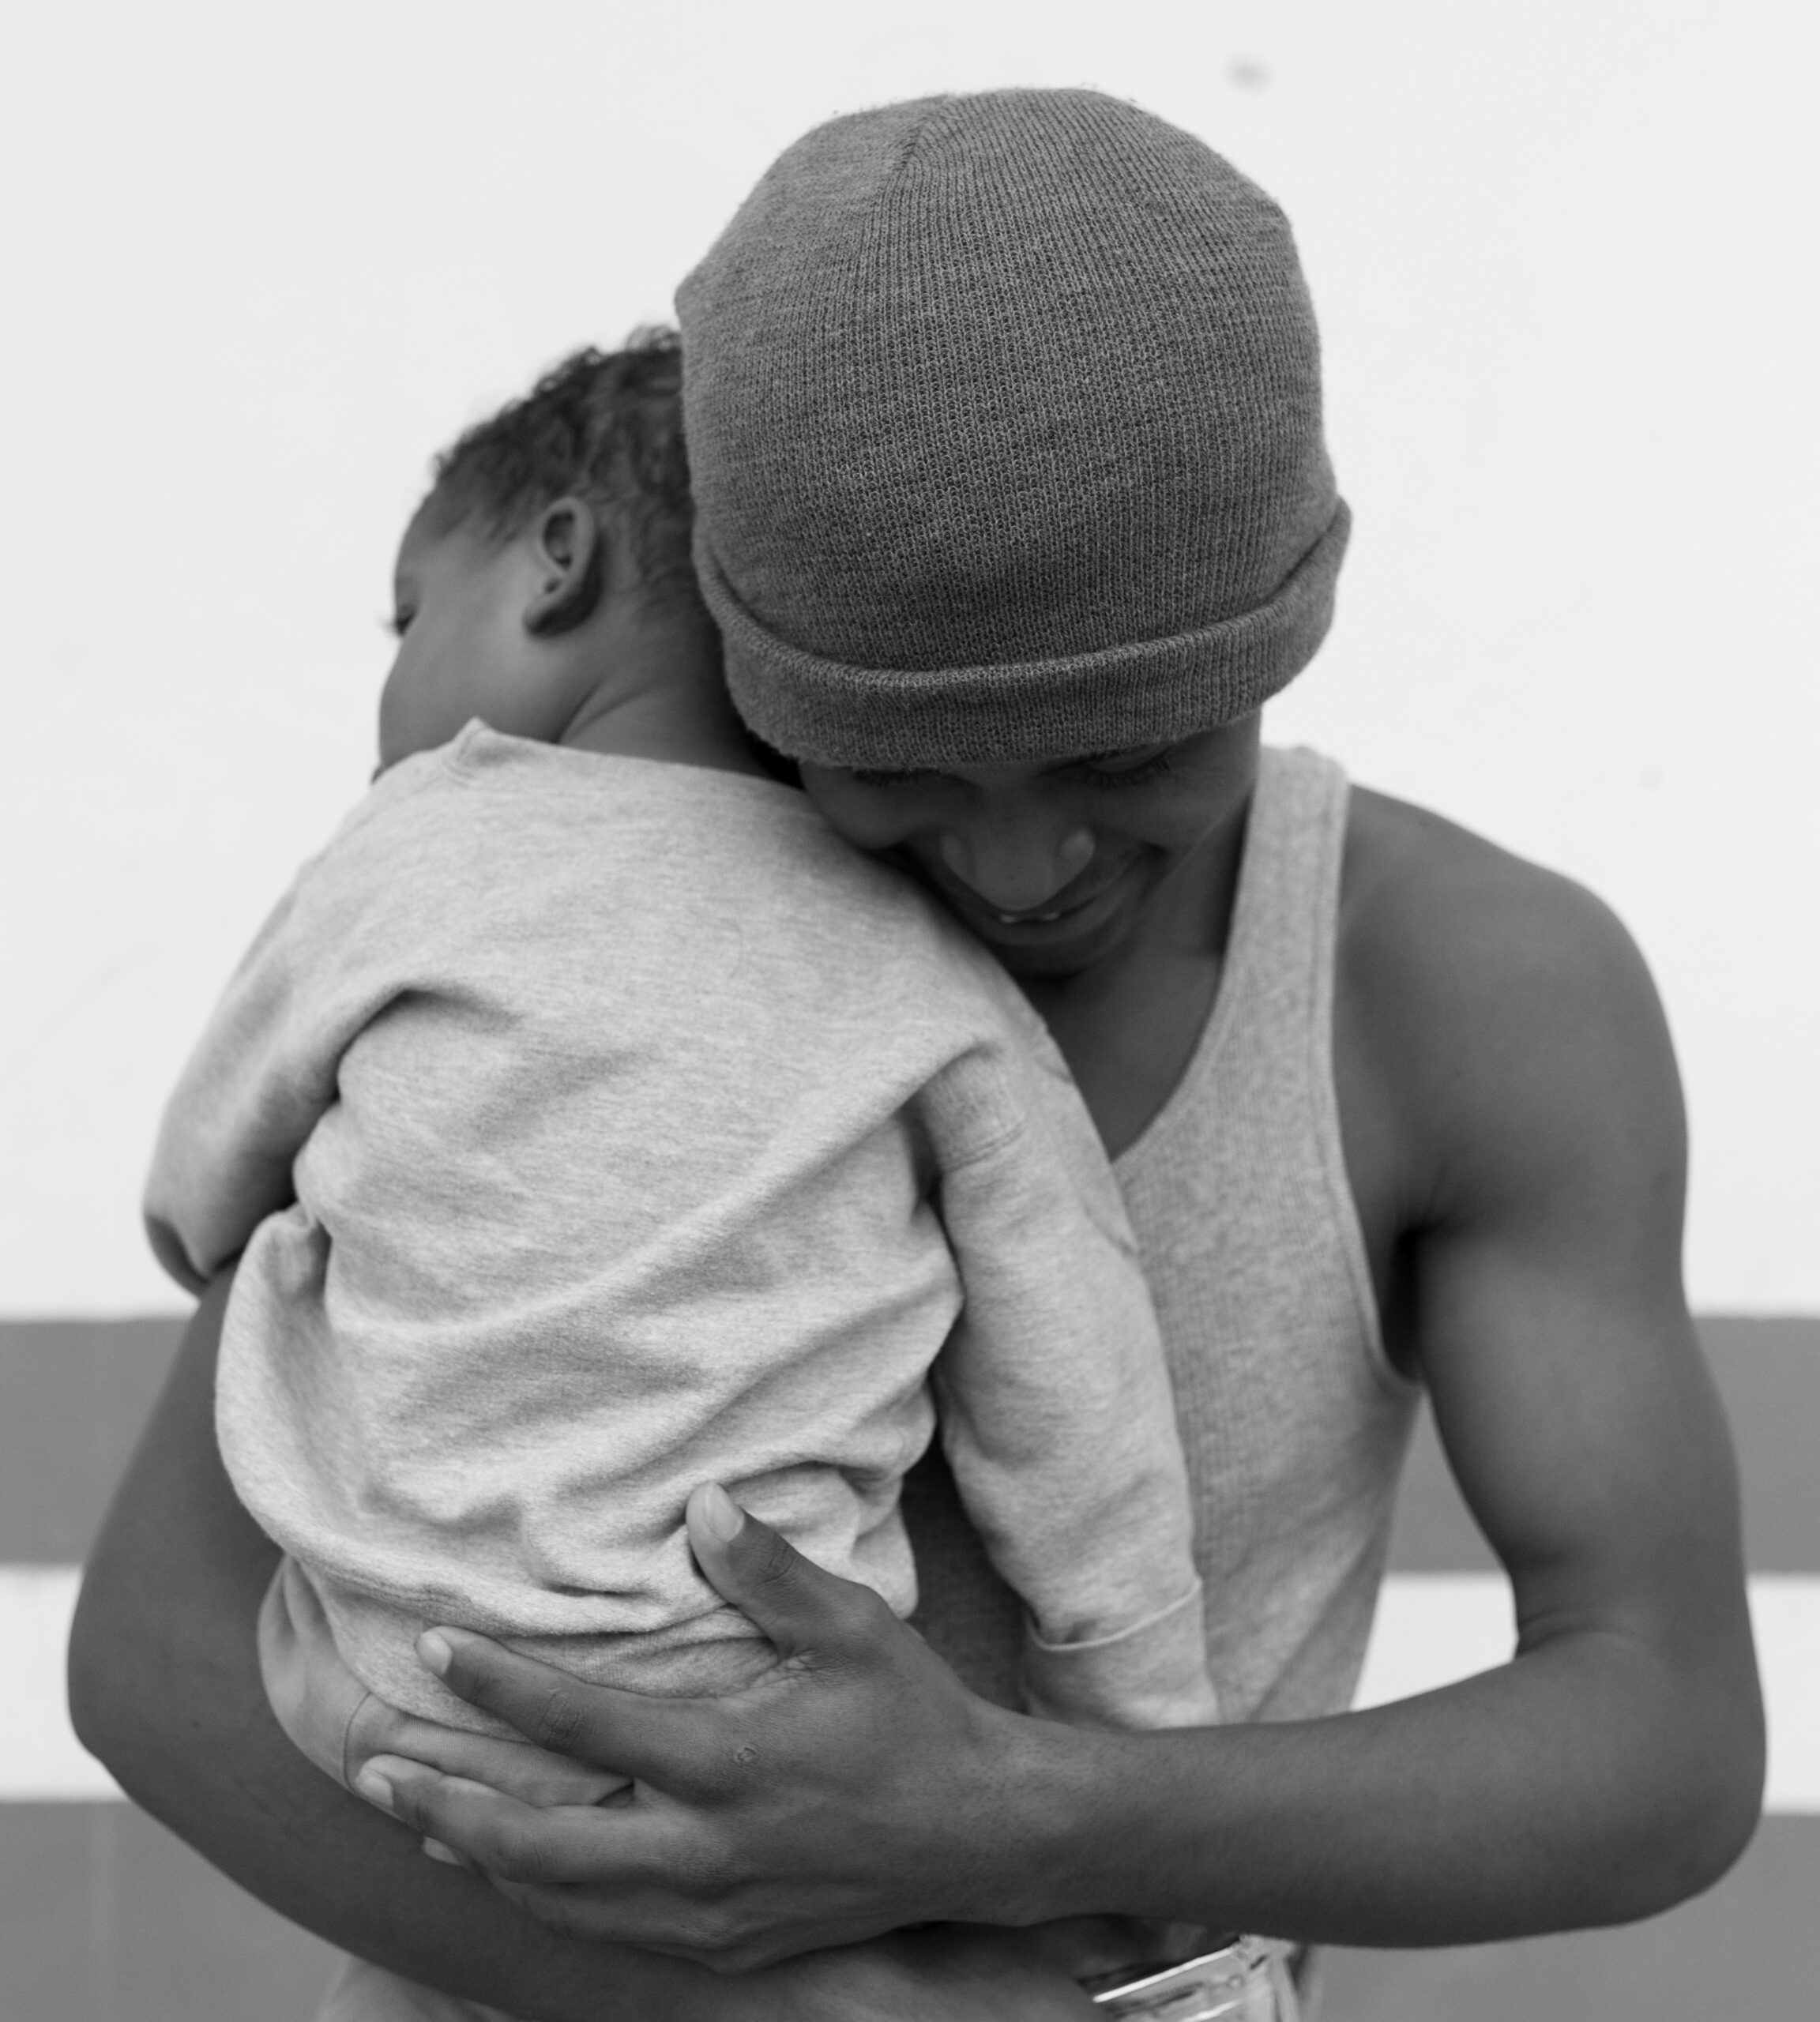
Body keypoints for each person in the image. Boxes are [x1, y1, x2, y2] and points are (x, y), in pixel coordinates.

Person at [70, 88, 1763, 2022]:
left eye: (1131, 754)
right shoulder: (553, 919)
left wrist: (1024, 1810)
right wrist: (788, 2012)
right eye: (894, 771)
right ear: (747, 637)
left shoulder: (1459, 993)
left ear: (1281, 630)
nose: (1022, 866)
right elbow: (159, 1649)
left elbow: (1662, 1734)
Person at [137, 330, 1225, 2014]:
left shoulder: (411, 846)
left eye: (407, 614)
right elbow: (1075, 1393)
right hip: (760, 1722)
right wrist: (1133, 1728)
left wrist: (247, 1229)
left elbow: (208, 1172)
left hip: (398, 1691)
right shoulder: (925, 959)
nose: (394, 685)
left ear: (555, 561)